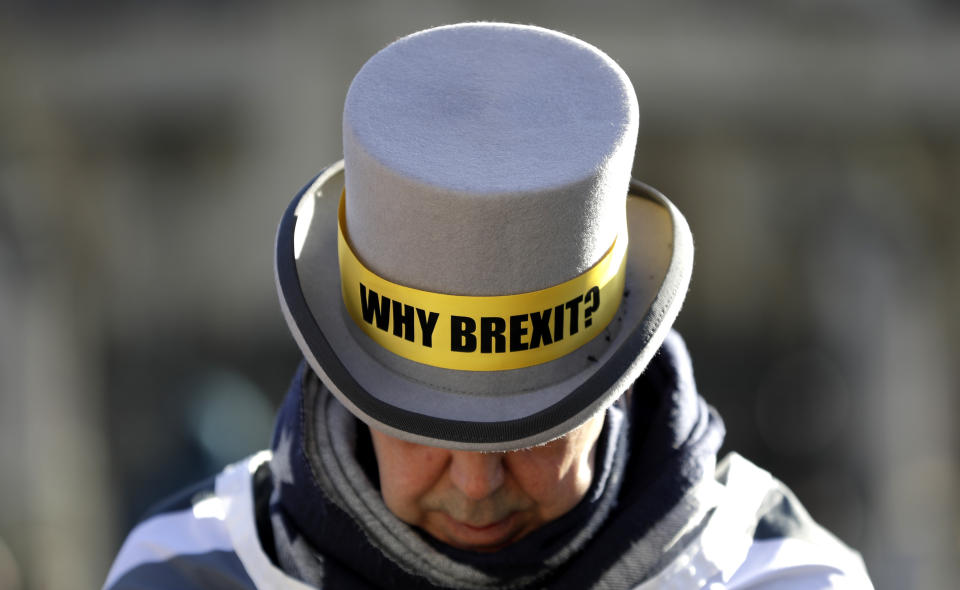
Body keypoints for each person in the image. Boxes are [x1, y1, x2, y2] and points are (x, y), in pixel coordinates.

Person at [104, 23, 873, 589]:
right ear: (345, 378)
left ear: (614, 384)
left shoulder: (788, 578)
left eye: (533, 429)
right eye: (421, 424)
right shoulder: (185, 575)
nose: (477, 485)